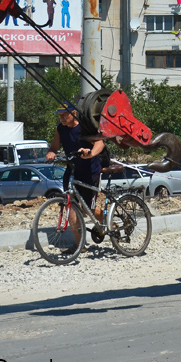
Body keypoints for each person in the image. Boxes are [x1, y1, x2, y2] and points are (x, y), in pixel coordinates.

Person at [45, 102, 105, 252]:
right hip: (72, 171)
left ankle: (106, 222)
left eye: (65, 115)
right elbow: (54, 146)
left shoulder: (84, 127)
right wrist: (51, 152)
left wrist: (90, 153)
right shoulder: (60, 129)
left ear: (74, 114)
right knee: (70, 206)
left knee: (88, 209)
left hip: (89, 171)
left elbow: (100, 143)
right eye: (60, 116)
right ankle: (79, 246)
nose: (62, 118)